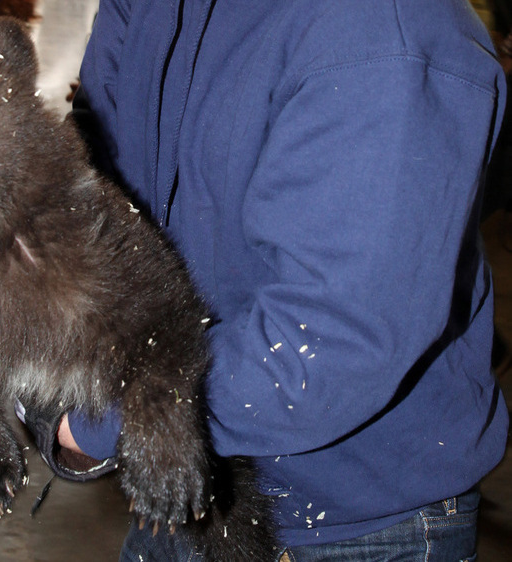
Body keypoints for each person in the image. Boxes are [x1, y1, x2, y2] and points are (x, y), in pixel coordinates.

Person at [35, 1, 510, 560]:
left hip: (351, 525)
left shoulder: (382, 25)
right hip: (181, 492)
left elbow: (331, 340)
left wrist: (101, 422)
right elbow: (87, 182)